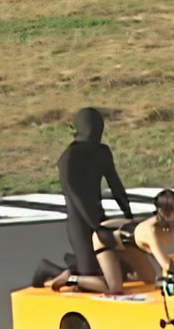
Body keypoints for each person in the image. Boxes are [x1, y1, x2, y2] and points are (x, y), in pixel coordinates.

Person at [31, 108, 136, 289]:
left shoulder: (102, 152)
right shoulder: (69, 158)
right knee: (90, 279)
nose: (96, 135)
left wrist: (128, 213)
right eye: (92, 130)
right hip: (80, 221)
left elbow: (115, 183)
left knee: (122, 271)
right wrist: (96, 226)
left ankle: (74, 263)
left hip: (98, 216)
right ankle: (48, 268)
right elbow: (76, 196)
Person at [51, 189, 174, 294]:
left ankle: (122, 271)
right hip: (105, 239)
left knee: (150, 280)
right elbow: (165, 264)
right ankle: (71, 278)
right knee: (114, 288)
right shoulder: (151, 231)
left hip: (129, 243)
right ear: (164, 213)